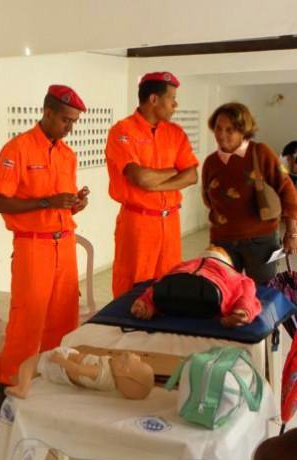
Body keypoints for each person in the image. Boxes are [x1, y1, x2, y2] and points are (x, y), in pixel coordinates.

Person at [0, 84, 89, 427]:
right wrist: (47, 202)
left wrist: (75, 203)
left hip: (65, 242)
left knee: (62, 321)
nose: (69, 127)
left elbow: (62, 201)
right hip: (33, 245)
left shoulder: (66, 154)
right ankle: (4, 401)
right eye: (65, 119)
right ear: (47, 112)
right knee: (26, 324)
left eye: (73, 121)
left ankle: (46, 395)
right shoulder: (17, 149)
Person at [105, 71, 199, 298]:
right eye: (172, 98)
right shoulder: (123, 131)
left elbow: (192, 176)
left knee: (168, 284)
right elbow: (140, 178)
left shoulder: (175, 133)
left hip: (170, 223)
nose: (175, 104)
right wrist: (175, 170)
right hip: (138, 222)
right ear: (154, 99)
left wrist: (155, 184)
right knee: (134, 286)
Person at [202, 103, 297, 284]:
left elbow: (288, 191)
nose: (221, 135)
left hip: (260, 242)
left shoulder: (260, 153)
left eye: (229, 130)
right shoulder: (211, 162)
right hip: (222, 241)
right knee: (225, 292)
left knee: (263, 294)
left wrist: (292, 234)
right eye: (218, 128)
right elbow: (208, 200)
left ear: (243, 130)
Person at [131, 245, 262, 328]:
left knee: (164, 287)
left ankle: (148, 305)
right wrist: (244, 310)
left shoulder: (183, 265)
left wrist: (145, 301)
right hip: (212, 293)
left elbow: (160, 281)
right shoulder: (236, 275)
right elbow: (248, 294)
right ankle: (240, 313)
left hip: (177, 287)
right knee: (243, 295)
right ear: (227, 261)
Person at [5, 346, 154, 400]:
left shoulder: (100, 371)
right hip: (66, 363)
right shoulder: (112, 379)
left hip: (62, 367)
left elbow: (77, 369)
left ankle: (22, 388)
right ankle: (19, 379)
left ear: (123, 370)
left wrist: (60, 360)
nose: (134, 356)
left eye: (125, 358)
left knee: (31, 363)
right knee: (38, 370)